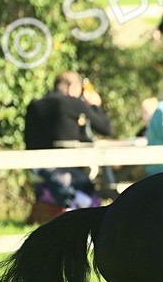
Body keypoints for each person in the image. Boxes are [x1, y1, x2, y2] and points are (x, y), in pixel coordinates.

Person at [24, 70, 114, 212]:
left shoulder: (34, 105)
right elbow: (106, 128)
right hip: (67, 166)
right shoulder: (73, 103)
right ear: (72, 88)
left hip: (38, 167)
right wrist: (95, 105)